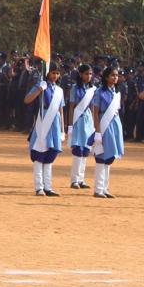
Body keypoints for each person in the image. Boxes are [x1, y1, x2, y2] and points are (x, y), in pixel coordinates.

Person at [24, 62, 64, 196]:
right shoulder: (41, 85)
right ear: (47, 73)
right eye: (53, 72)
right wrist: (39, 90)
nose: (55, 75)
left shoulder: (59, 90)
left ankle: (48, 186)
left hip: (55, 122)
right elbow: (27, 100)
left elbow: (61, 109)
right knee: (40, 154)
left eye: (57, 73)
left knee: (50, 155)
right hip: (43, 120)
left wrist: (63, 129)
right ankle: (39, 187)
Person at [89, 66, 125, 199]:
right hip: (103, 123)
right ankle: (98, 189)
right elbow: (95, 111)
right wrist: (97, 131)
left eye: (116, 75)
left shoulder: (116, 92)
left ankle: (105, 188)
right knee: (101, 156)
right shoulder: (100, 92)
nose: (115, 77)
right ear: (105, 77)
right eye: (112, 75)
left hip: (114, 124)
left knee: (110, 157)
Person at [67, 64, 97, 190]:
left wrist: (94, 125)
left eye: (90, 74)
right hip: (77, 120)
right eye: (86, 74)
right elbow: (71, 107)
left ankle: (81, 179)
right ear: (80, 74)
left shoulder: (92, 89)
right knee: (77, 150)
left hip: (88, 120)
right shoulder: (75, 88)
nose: (88, 76)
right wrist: (69, 126)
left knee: (85, 150)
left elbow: (93, 107)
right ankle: (74, 180)